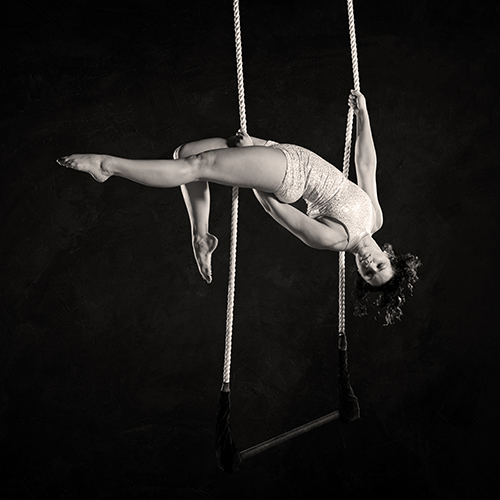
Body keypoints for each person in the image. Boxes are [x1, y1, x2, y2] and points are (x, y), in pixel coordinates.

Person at [57, 90, 420, 324]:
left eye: (369, 273)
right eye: (381, 266)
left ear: (359, 272)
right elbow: (366, 166)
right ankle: (202, 236)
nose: (371, 265)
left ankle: (108, 166)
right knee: (184, 153)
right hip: (282, 150)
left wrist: (252, 167)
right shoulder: (375, 218)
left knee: (196, 167)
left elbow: (278, 211)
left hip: (287, 174)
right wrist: (364, 115)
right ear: (389, 254)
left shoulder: (335, 241)